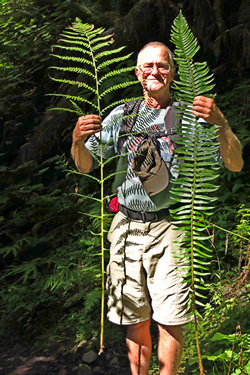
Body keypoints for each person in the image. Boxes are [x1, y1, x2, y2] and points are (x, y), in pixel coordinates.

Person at [71, 42, 243, 375]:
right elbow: (85, 166)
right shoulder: (121, 116)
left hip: (173, 228)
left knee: (170, 320)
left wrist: (221, 122)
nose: (155, 72)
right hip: (126, 228)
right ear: (137, 73)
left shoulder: (191, 116)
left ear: (173, 72)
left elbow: (234, 164)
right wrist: (78, 140)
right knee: (134, 319)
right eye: (147, 66)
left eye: (162, 65)